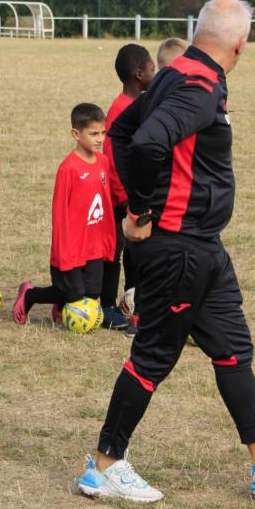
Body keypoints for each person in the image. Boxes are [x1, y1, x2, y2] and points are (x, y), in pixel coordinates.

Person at [76, 0, 255, 502]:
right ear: (240, 44)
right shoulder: (197, 84)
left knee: (233, 347)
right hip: (179, 247)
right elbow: (144, 141)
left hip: (203, 245)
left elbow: (121, 130)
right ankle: (104, 465)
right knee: (153, 357)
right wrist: (141, 212)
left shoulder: (179, 71)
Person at [13, 103, 115, 326]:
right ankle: (30, 294)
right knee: (72, 293)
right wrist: (63, 251)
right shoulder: (68, 168)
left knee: (93, 292)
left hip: (94, 243)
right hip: (73, 245)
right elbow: (59, 214)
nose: (100, 139)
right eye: (94, 134)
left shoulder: (103, 162)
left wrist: (108, 238)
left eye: (103, 133)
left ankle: (61, 306)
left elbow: (105, 203)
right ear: (76, 134)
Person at [104, 44, 156, 335]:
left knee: (136, 251)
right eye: (152, 68)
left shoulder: (140, 104)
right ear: (139, 73)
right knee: (128, 252)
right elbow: (114, 157)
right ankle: (127, 309)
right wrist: (127, 198)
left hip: (136, 194)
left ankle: (134, 305)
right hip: (125, 197)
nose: (154, 73)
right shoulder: (122, 108)